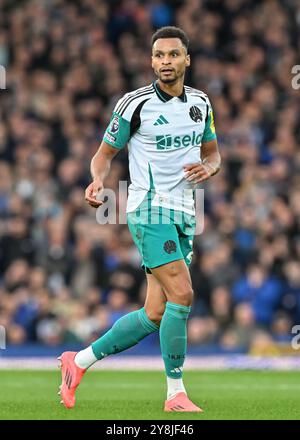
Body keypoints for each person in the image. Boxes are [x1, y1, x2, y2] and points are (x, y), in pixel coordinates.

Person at [58, 26, 221, 412]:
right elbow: (103, 154)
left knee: (156, 312)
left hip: (185, 212)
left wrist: (209, 169)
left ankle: (77, 362)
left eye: (173, 55)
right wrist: (97, 180)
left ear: (186, 60)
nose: (165, 62)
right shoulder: (135, 104)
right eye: (159, 55)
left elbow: (213, 154)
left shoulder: (201, 103)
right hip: (148, 209)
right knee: (183, 294)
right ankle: (175, 394)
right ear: (151, 61)